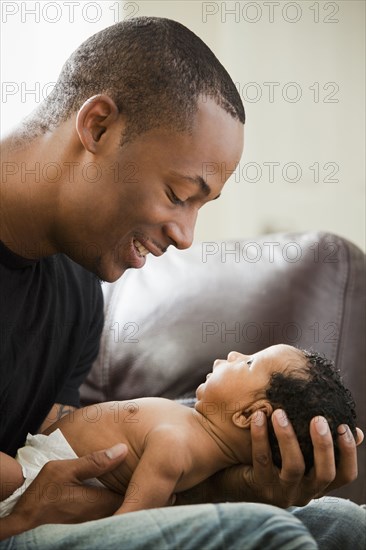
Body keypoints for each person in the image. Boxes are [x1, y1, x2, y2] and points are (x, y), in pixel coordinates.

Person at [0, 16, 364, 549]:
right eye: (177, 194)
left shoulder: (79, 288)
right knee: (267, 532)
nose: (185, 235)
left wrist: (234, 483)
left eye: (201, 206)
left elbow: (55, 446)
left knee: (343, 524)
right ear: (98, 127)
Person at [0, 344, 359, 518]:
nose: (234, 354)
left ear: (250, 415)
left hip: (31, 478)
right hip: (43, 471)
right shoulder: (190, 437)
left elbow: (129, 528)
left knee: (345, 519)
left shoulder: (175, 447)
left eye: (248, 362)